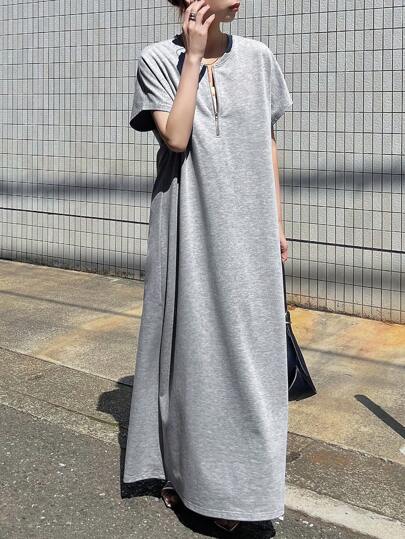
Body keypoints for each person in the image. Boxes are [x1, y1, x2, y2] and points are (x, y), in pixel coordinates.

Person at [123, 0, 293, 533]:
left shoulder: (259, 57)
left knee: (255, 356)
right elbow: (176, 137)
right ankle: (192, 478)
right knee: (194, 348)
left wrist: (276, 222)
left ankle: (249, 486)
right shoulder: (157, 59)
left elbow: (266, 140)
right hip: (188, 222)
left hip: (250, 228)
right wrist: (193, 59)